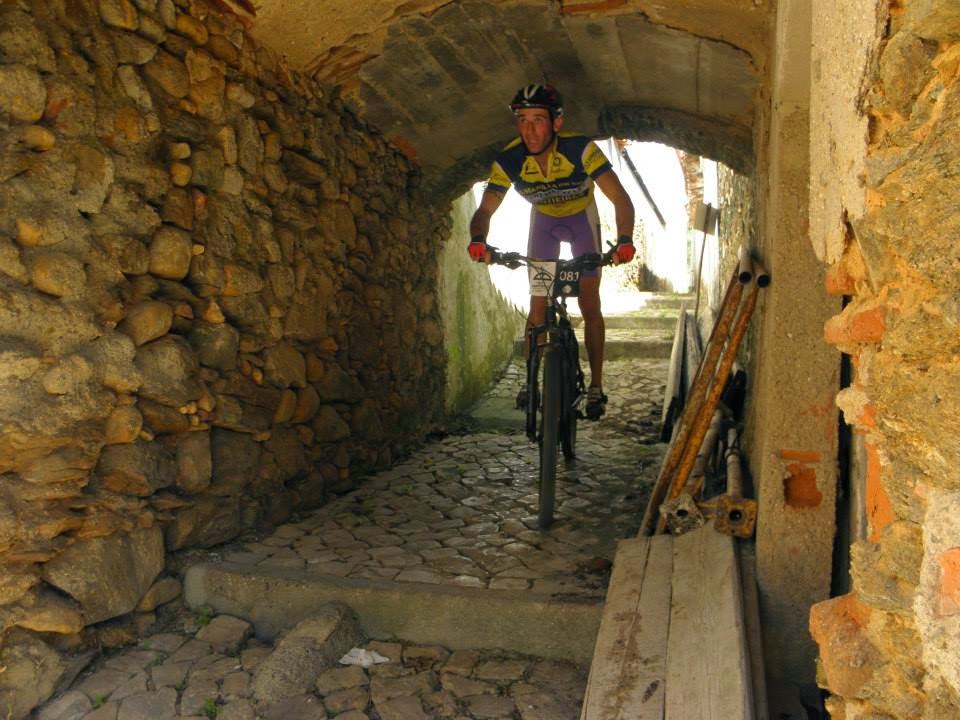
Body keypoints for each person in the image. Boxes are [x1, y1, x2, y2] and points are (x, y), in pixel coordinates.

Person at [468, 83, 636, 420]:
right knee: (538, 305)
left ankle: (596, 386)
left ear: (556, 123)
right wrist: (478, 240)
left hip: (581, 221)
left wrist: (624, 240)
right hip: (544, 224)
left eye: (538, 120)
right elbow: (485, 210)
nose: (529, 130)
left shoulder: (580, 149)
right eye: (523, 120)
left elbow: (620, 197)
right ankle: (531, 381)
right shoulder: (510, 159)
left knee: (590, 302)